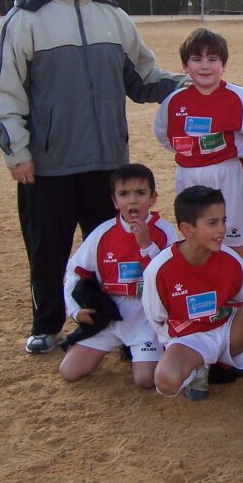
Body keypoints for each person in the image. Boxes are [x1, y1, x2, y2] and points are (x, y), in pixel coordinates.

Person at [0, 0, 186, 354]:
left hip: (109, 166)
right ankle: (47, 325)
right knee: (47, 252)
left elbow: (144, 79)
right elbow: (2, 96)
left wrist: (195, 85)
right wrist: (17, 153)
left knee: (117, 253)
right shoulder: (25, 20)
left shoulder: (112, 15)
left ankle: (116, 326)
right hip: (48, 165)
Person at [142, 186, 243, 427]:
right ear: (186, 229)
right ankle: (200, 367)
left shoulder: (232, 262)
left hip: (228, 332)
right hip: (190, 340)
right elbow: (157, 320)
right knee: (165, 381)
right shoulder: (159, 269)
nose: (222, 230)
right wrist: (184, 350)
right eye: (212, 223)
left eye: (223, 220)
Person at [58, 164, 176, 387]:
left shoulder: (165, 231)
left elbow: (169, 277)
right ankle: (121, 346)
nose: (132, 201)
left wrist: (146, 246)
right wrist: (75, 312)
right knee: (69, 371)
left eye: (140, 193)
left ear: (153, 198)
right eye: (124, 194)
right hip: (110, 317)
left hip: (145, 318)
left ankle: (144, 349)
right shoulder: (103, 233)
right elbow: (75, 272)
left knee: (145, 380)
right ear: (114, 201)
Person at [154, 28, 243, 262]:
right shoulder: (174, 102)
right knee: (194, 238)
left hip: (229, 176)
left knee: (233, 239)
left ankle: (236, 291)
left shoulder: (241, 98)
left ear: (223, 65)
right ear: (185, 66)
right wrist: (193, 153)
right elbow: (164, 134)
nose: (205, 66)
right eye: (197, 59)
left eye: (212, 59)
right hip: (188, 176)